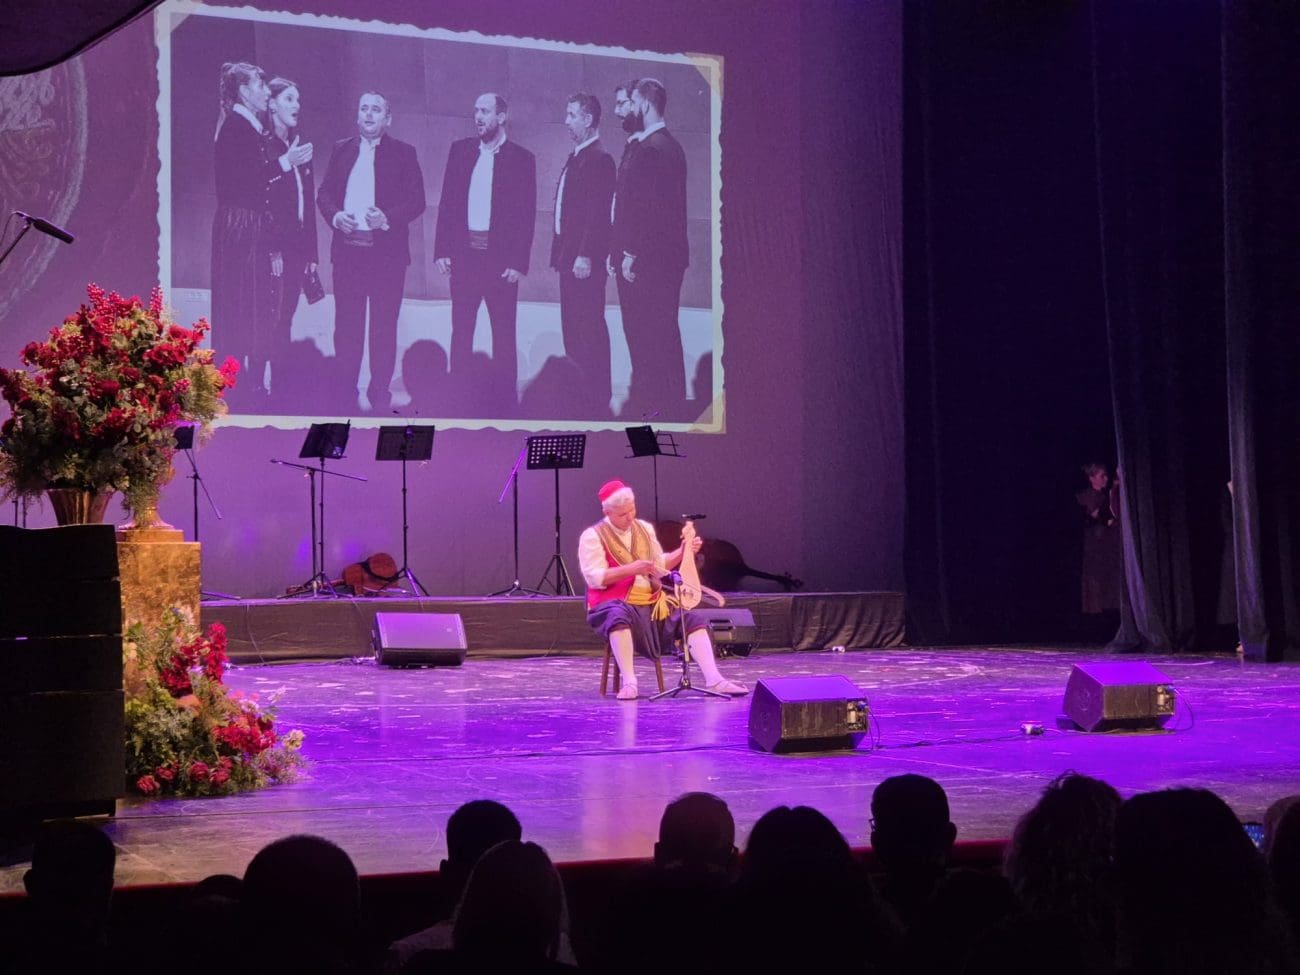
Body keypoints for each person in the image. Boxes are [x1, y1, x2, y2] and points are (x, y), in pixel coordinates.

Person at [577, 479, 746, 700]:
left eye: (632, 510)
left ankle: (715, 680)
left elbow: (659, 565)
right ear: (607, 512)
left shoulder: (644, 529)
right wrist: (631, 569)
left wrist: (683, 551)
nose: (629, 517)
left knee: (691, 620)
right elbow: (594, 578)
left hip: (650, 604)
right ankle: (630, 682)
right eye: (622, 514)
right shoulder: (593, 536)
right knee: (617, 616)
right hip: (612, 603)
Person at [316, 91, 426, 414]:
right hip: (348, 255)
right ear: (357, 115)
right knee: (346, 328)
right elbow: (324, 194)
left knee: (382, 328)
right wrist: (336, 216)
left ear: (387, 118)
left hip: (387, 259)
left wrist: (387, 218)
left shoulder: (404, 153)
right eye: (363, 108)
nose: (368, 114)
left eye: (375, 109)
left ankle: (379, 393)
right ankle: (345, 392)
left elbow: (417, 201)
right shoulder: (341, 149)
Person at [434, 92, 537, 409]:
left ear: (502, 116)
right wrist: (441, 250)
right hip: (464, 260)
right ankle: (458, 400)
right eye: (476, 111)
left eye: (485, 111)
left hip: (501, 264)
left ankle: (506, 403)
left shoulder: (522, 159)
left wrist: (518, 262)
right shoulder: (460, 151)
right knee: (461, 332)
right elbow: (447, 203)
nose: (478, 117)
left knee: (504, 335)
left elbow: (526, 214)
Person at [610, 78, 689, 419]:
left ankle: (658, 407)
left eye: (632, 101)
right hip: (662, 259)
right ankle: (665, 406)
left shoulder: (653, 148)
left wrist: (629, 254)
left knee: (651, 335)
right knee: (660, 333)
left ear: (643, 103)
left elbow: (649, 209)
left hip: (652, 262)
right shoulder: (666, 145)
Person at [211, 61, 285, 409]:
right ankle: (236, 387)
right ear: (243, 90)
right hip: (241, 225)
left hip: (247, 223)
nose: (267, 92)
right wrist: (284, 164)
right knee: (242, 302)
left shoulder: (247, 127)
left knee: (251, 301)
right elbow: (247, 181)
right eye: (260, 85)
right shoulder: (237, 127)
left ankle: (243, 385)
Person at [550, 91, 615, 417]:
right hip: (568, 259)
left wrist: (586, 254)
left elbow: (598, 213)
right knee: (572, 329)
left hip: (583, 262)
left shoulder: (600, 160)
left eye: (572, 115)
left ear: (588, 119)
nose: (567, 121)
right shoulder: (577, 157)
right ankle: (579, 395)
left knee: (589, 328)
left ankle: (596, 398)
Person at [265, 77, 317, 404]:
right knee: (271, 318)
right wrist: (272, 249)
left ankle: (281, 389)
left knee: (286, 317)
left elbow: (306, 205)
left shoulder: (300, 148)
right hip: (273, 250)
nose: (296, 105)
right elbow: (262, 201)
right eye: (288, 99)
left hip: (297, 250)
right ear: (271, 103)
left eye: (298, 99)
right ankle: (268, 389)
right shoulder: (264, 146)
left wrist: (311, 254)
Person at [1076, 462, 1122, 617]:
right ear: (1092, 478)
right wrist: (1113, 489)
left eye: (1106, 475)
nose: (1106, 479)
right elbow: (1097, 516)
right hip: (1095, 544)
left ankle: (1110, 609)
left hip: (1107, 543)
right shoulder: (1086, 497)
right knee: (1095, 578)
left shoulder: (1105, 496)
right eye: (1102, 476)